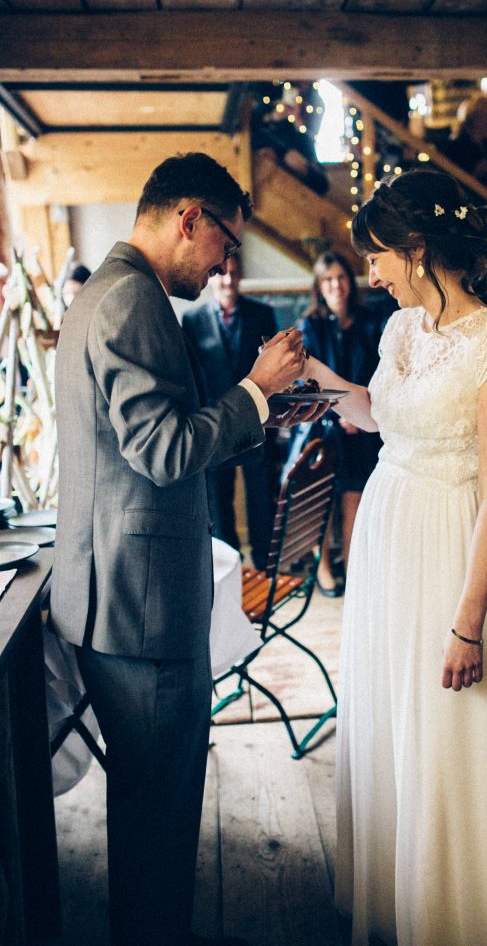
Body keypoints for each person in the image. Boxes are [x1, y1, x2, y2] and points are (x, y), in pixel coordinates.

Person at [301, 169, 487, 946]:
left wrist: (468, 624)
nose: (372, 272)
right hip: (389, 538)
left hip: (451, 549)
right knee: (393, 712)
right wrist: (320, 383)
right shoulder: (400, 332)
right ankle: (398, 891)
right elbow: (379, 413)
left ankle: (462, 907)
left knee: (447, 722)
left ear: (418, 249)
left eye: (379, 256)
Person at [49, 152, 325, 946]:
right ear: (188, 218)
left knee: (145, 805)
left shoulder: (107, 292)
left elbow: (142, 444)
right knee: (162, 814)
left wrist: (255, 418)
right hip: (140, 608)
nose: (224, 264)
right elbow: (164, 451)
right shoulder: (131, 303)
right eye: (226, 245)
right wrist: (254, 390)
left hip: (114, 597)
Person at [286, 251, 384, 596]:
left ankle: (354, 563)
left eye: (341, 277)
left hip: (364, 425)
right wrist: (340, 414)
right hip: (323, 426)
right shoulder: (308, 325)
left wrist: (361, 413)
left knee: (355, 495)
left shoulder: (370, 322)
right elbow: (304, 384)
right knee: (323, 497)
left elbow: (378, 372)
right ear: (319, 286)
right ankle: (324, 567)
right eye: (328, 279)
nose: (336, 285)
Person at [182, 255, 278, 569]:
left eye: (234, 274)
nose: (227, 280)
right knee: (219, 503)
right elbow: (193, 375)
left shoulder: (262, 314)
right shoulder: (193, 320)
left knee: (262, 496)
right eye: (222, 274)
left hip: (258, 419)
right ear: (212, 277)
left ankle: (264, 565)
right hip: (216, 423)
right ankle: (229, 567)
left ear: (240, 277)